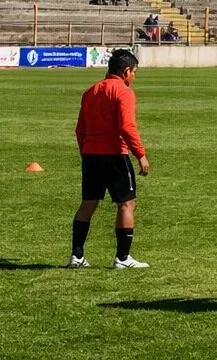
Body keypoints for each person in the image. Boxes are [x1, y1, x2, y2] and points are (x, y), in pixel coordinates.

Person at [70, 48, 150, 269]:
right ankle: (123, 258)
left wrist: (85, 151)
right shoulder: (123, 92)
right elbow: (127, 127)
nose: (134, 77)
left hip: (91, 155)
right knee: (126, 203)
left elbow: (80, 129)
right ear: (126, 71)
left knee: (88, 203)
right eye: (134, 72)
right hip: (115, 154)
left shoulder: (91, 91)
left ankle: (77, 256)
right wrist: (140, 155)